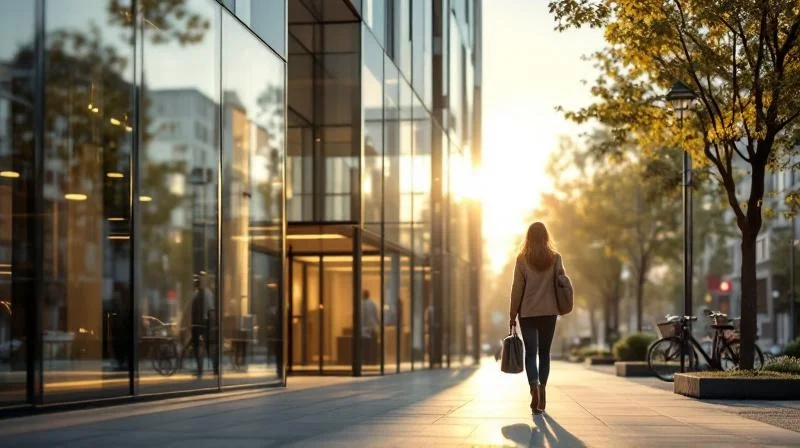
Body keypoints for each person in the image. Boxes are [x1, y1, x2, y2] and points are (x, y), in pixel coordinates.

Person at [509, 222, 565, 415]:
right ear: (546, 237)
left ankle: (533, 387)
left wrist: (512, 314)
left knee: (531, 353)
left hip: (528, 313)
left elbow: (517, 289)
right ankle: (542, 390)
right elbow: (562, 282)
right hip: (549, 312)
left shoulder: (522, 260)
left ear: (529, 237)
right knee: (545, 353)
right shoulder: (555, 258)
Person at [190, 271, 218, 377]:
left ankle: (215, 369)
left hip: (205, 324)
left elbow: (211, 310)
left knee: (207, 348)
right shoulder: (196, 294)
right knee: (198, 347)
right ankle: (200, 369)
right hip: (197, 324)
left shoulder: (207, 293)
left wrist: (211, 325)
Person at [360, 290, 379, 364]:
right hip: (373, 328)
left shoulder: (363, 304)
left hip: (366, 328)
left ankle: (367, 361)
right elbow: (376, 316)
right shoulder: (373, 304)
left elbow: (362, 317)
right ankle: (373, 361)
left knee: (366, 346)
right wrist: (377, 324)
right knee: (373, 346)